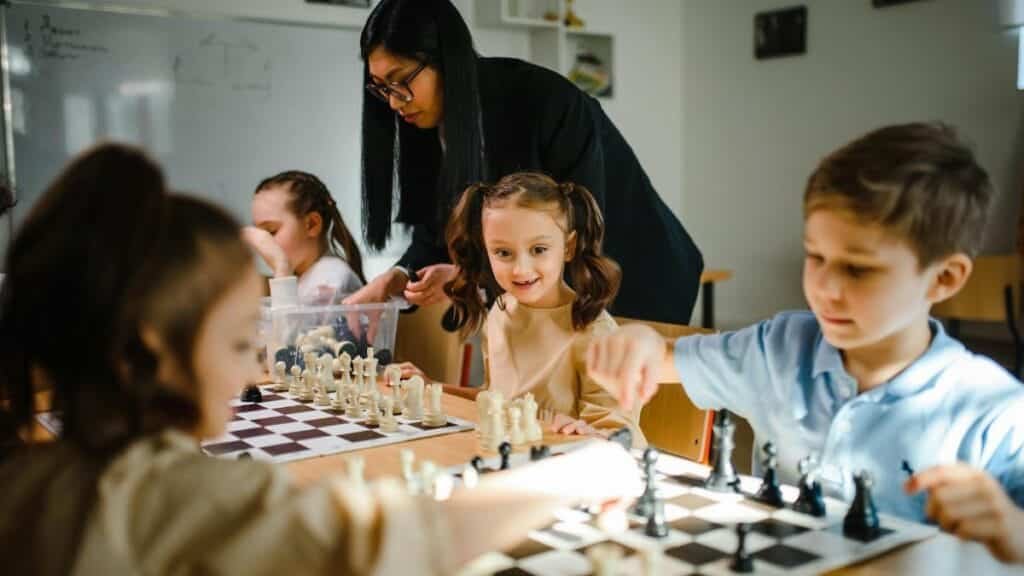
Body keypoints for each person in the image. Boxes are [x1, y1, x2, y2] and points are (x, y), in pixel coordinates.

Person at [0, 144, 641, 576]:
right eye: (239, 341)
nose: (259, 358)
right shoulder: (179, 498)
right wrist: (582, 476)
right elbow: (384, 544)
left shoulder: (29, 479)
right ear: (148, 354)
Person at [583, 123, 1024, 554]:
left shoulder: (995, 412)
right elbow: (663, 358)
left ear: (944, 278)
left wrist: (1014, 529)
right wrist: (641, 344)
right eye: (815, 256)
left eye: (858, 268)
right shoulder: (778, 349)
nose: (824, 288)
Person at [345, 0, 703, 325]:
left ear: (445, 58)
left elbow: (574, 236)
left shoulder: (544, 103)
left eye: (400, 81)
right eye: (381, 88)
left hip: (637, 276)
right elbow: (435, 227)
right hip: (560, 287)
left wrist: (469, 279)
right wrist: (402, 275)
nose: (393, 103)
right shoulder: (424, 124)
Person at [397, 172, 643, 443]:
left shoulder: (595, 331)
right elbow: (496, 399)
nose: (520, 269)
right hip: (509, 458)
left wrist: (590, 432)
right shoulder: (501, 310)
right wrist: (433, 387)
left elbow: (620, 433)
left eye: (538, 249)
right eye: (503, 253)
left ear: (568, 246)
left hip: (564, 470)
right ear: (486, 250)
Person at [243, 170, 365, 305]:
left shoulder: (330, 280)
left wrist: (281, 265)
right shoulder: (304, 277)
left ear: (312, 225)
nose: (263, 243)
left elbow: (286, 326)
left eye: (271, 231)